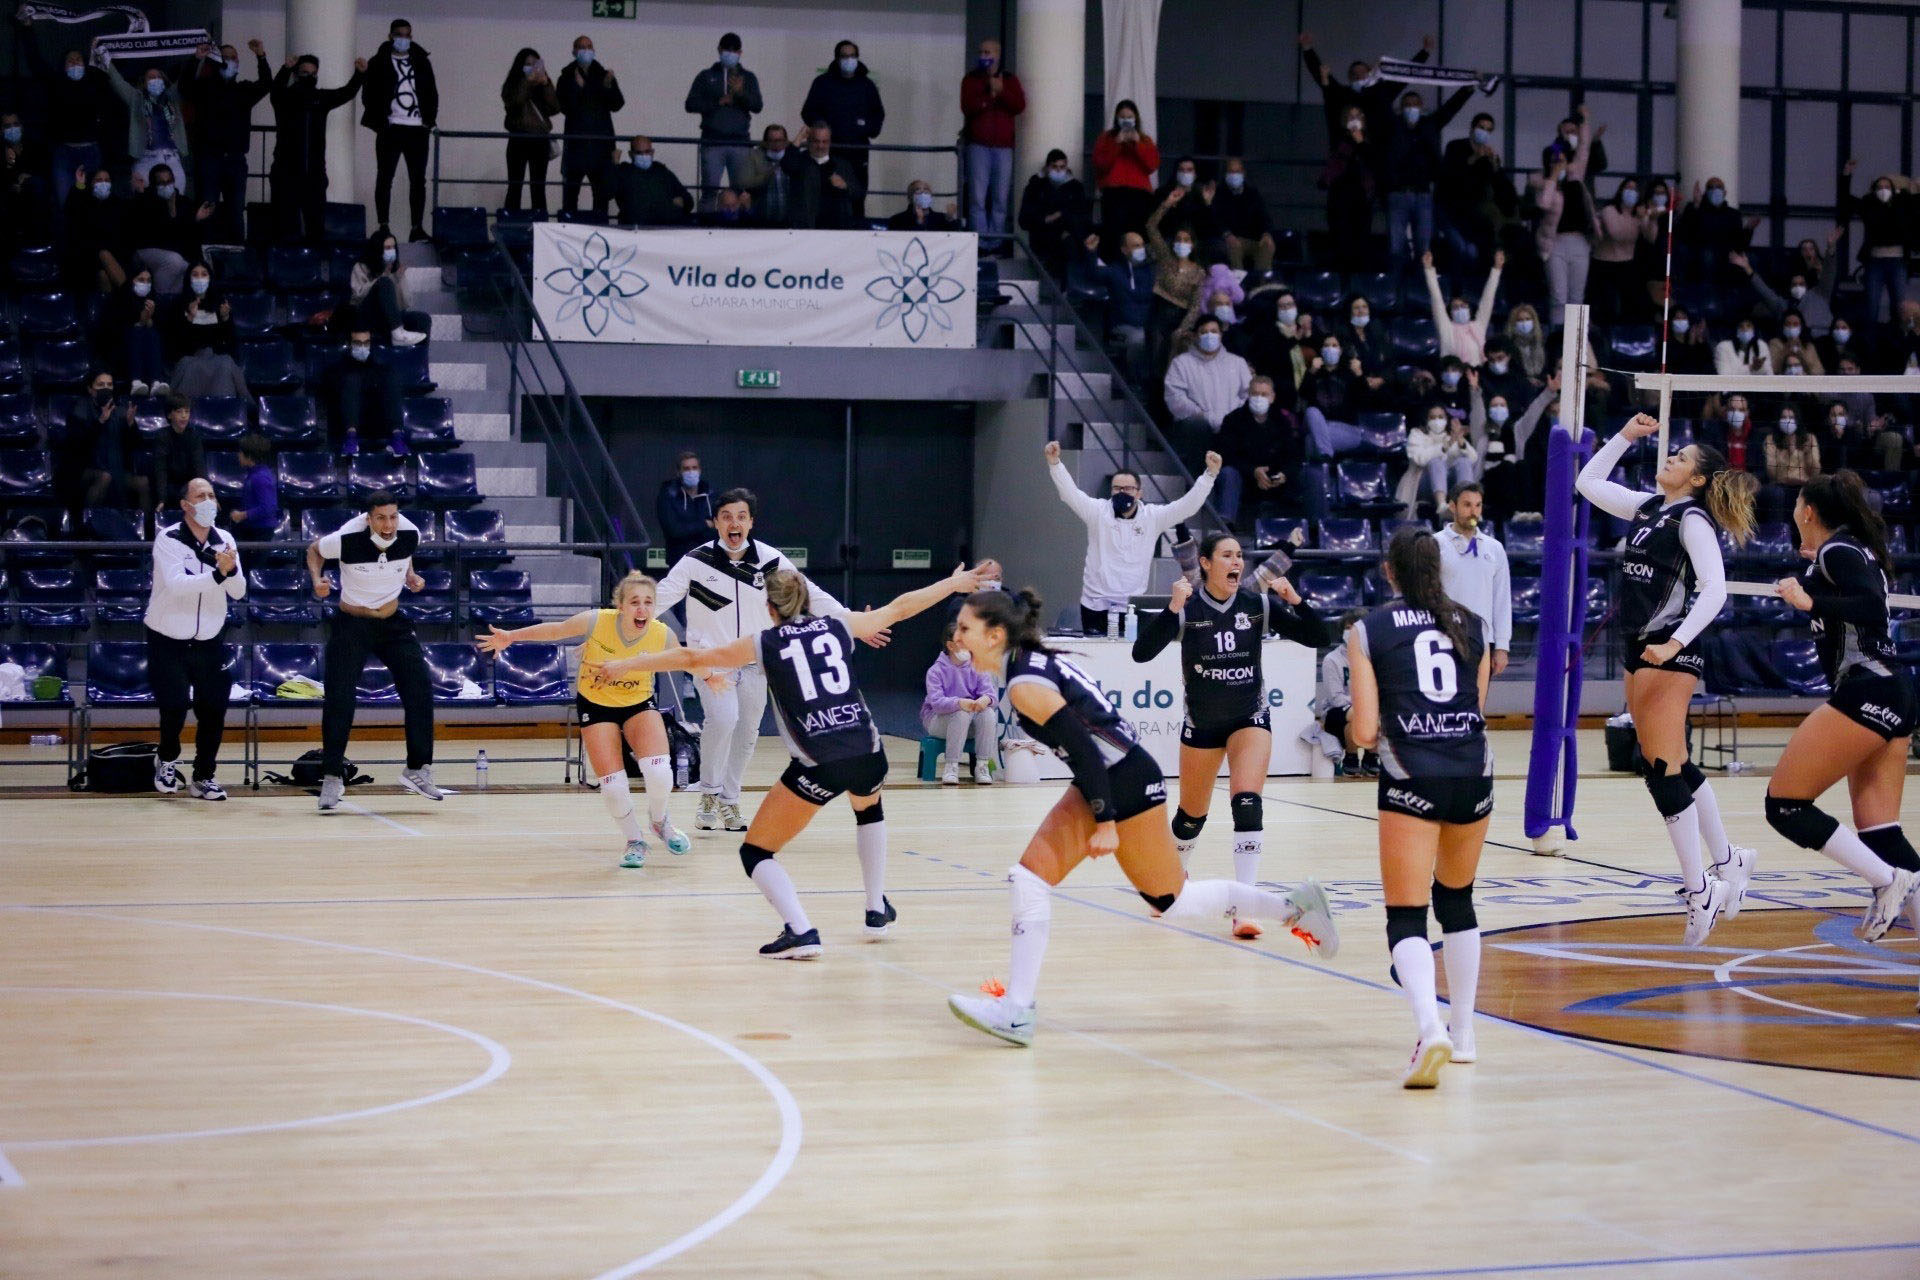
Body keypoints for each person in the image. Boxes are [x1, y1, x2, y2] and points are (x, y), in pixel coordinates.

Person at [943, 586, 1341, 1046]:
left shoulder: (1026, 684)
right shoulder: (1026, 668)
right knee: (1168, 901)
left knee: (1143, 897)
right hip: (1115, 775)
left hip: (1121, 778)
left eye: (966, 628)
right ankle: (1295, 908)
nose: (957, 637)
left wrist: (1106, 822)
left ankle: (1016, 1011)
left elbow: (1087, 754)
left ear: (994, 636)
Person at [607, 563, 995, 957]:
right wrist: (954, 583)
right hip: (868, 748)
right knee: (868, 809)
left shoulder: (763, 642)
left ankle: (801, 930)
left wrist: (625, 664)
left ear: (769, 607)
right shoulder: (838, 626)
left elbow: (691, 657)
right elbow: (899, 608)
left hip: (820, 760)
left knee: (755, 852)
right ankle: (875, 907)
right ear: (807, 601)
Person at [1576, 413, 1760, 946]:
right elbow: (1588, 483)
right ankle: (1729, 859)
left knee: (1658, 767)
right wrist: (1625, 435)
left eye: (1681, 458)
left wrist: (1676, 642)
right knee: (1673, 760)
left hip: (1671, 650)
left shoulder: (1694, 522)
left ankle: (1700, 887)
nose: (1670, 459)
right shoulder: (1651, 507)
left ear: (1699, 479)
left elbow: (1716, 590)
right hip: (1641, 647)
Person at [1345, 527, 1492, 1087]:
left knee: (1406, 915)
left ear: (1390, 572)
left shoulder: (1369, 629)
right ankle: (1465, 1034)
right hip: (1473, 772)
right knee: (1457, 900)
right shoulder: (1472, 625)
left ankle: (1429, 1028)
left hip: (1413, 774)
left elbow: (1361, 732)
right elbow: (1475, 705)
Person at [1132, 534, 1328, 938]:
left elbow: (1319, 638)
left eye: (1240, 555)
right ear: (1205, 563)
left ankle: (1244, 906)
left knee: (1247, 801)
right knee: (1190, 818)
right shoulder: (1190, 608)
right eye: (1227, 555)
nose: (1236, 561)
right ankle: (1171, 884)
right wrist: (1171, 609)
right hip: (1202, 724)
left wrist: (1295, 600)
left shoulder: (1257, 605)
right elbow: (1141, 652)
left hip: (1249, 717)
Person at [1766, 471, 1920, 942]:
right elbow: (1857, 594)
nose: (1793, 510)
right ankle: (1890, 875)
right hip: (1893, 692)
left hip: (1867, 689)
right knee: (1882, 834)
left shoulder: (1838, 551)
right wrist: (1816, 577)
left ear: (1808, 511)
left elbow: (1872, 605)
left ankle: (1883, 880)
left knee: (1786, 806)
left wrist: (1809, 598)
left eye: (1797, 504)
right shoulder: (1840, 552)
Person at [651, 488, 860, 834]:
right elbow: (658, 599)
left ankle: (730, 801)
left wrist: (849, 619)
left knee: (748, 731)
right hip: (712, 660)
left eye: (741, 516)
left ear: (751, 522)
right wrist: (622, 625)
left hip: (757, 659)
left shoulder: (772, 561)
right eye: (727, 516)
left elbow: (809, 594)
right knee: (723, 718)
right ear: (715, 522)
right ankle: (709, 794)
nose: (734, 523)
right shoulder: (695, 561)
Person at [478, 572, 692, 867]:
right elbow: (556, 630)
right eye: (634, 602)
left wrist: (714, 675)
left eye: (648, 603)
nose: (641, 609)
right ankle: (634, 840)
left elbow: (687, 660)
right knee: (615, 788)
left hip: (639, 703)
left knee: (659, 774)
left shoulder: (661, 633)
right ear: (620, 605)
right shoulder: (597, 621)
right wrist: (511, 637)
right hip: (597, 704)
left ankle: (660, 821)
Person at [307, 492, 440, 812]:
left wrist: (409, 575)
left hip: (392, 622)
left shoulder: (410, 533)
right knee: (340, 697)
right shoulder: (347, 538)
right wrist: (317, 581)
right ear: (369, 519)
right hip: (352, 622)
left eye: (392, 517)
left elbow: (405, 552)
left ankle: (418, 769)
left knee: (419, 686)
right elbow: (313, 551)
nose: (388, 524)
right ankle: (332, 776)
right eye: (381, 518)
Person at [1045, 439, 1219, 635]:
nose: (1121, 492)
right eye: (1117, 488)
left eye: (1127, 489)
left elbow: (1187, 506)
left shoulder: (1152, 517)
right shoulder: (1097, 512)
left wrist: (1209, 475)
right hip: (1095, 604)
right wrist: (1055, 464)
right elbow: (1070, 494)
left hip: (1132, 607)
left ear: (1139, 492)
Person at [144, 476, 245, 802]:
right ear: (186, 505)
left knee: (213, 708)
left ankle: (204, 776)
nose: (208, 501)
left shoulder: (225, 539)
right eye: (200, 496)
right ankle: (167, 758)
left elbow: (239, 590)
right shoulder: (169, 538)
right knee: (173, 705)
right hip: (168, 636)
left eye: (212, 495)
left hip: (208, 638)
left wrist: (229, 571)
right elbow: (177, 585)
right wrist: (217, 573)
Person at [270, 53, 367, 243]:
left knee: (316, 230)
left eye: (313, 73)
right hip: (285, 174)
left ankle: (313, 269)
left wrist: (359, 74)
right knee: (285, 230)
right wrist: (285, 69)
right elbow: (275, 90)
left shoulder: (321, 98)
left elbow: (346, 92)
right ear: (297, 74)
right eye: (305, 72)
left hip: (314, 176)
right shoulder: (285, 98)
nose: (310, 77)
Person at [184, 40, 272, 242]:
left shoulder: (243, 90)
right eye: (225, 57)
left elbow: (266, 83)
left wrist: (261, 57)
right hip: (209, 158)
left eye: (233, 57)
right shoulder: (204, 88)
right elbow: (185, 86)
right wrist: (196, 59)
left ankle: (237, 258)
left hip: (235, 159)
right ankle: (205, 259)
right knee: (207, 207)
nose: (229, 61)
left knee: (235, 210)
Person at [360, 18, 437, 243]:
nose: (403, 39)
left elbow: (431, 92)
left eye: (407, 35)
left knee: (418, 180)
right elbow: (369, 95)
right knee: (385, 177)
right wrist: (381, 123)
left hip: (417, 129)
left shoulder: (421, 61)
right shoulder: (379, 62)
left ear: (411, 37)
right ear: (390, 36)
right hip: (391, 127)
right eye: (399, 35)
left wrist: (428, 121)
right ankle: (384, 226)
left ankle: (417, 227)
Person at [24, 39, 114, 229]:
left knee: (95, 202)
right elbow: (36, 63)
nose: (75, 63)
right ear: (64, 66)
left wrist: (98, 47)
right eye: (70, 61)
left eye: (78, 60)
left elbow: (108, 68)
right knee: (65, 204)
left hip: (91, 152)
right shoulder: (56, 83)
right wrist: (26, 28)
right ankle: (66, 250)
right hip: (64, 154)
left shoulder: (94, 83)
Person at [1381, 85, 1474, 265]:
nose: (1411, 108)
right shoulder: (1393, 126)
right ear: (1401, 108)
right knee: (1396, 246)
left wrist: (1466, 90)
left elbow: (1449, 109)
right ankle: (1398, 289)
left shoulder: (1429, 125)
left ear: (1422, 107)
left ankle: (1421, 287)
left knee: (1424, 247)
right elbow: (1381, 104)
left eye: (1415, 104)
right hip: (1398, 193)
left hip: (1423, 193)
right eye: (1407, 104)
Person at [1297, 30, 1434, 147]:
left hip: (1376, 152)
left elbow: (1404, 75)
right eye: (1354, 74)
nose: (1359, 76)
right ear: (1349, 78)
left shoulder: (1381, 93)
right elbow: (1319, 74)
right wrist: (1307, 48)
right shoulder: (1342, 95)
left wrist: (1425, 52)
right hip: (1345, 152)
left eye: (1362, 72)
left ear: (1370, 74)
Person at [801, 40, 885, 221]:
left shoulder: (867, 85)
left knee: (857, 195)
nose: (849, 59)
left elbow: (878, 115)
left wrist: (865, 128)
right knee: (826, 193)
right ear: (837, 59)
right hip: (830, 151)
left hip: (858, 151)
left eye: (853, 55)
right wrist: (825, 129)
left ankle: (857, 230)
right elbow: (808, 112)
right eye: (845, 56)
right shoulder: (823, 83)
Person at [1530, 106, 1596, 327]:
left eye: (1562, 159)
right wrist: (1553, 176)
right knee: (1559, 297)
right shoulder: (1540, 181)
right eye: (1554, 159)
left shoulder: (1576, 175)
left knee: (1577, 298)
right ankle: (1558, 342)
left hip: (1580, 241)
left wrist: (1585, 122)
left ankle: (1574, 350)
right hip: (1554, 243)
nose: (1560, 161)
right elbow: (1544, 204)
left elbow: (1584, 148)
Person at [1436, 483, 1511, 677]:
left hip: (1481, 641)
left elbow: (1501, 600)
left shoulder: (1494, 548)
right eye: (1467, 505)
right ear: (1452, 506)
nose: (1473, 512)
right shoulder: (1435, 544)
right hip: (1443, 637)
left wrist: (1502, 647)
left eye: (1478, 505)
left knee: (1477, 705)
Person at [1163, 315, 1251, 479]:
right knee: (1197, 426)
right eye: (1204, 332)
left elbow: (1247, 395)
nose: (1209, 335)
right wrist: (1204, 416)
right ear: (1196, 336)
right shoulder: (1182, 363)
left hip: (1231, 427)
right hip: (1198, 430)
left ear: (1221, 335)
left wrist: (1229, 418)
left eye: (1214, 331)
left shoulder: (1237, 363)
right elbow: (1175, 397)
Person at [55, 370, 144, 529]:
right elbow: (76, 446)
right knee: (104, 477)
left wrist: (131, 425)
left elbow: (135, 446)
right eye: (100, 384)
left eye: (109, 385)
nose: (106, 388)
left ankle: (149, 538)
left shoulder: (121, 411)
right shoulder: (79, 410)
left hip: (116, 469)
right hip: (84, 471)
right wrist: (100, 421)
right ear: (90, 388)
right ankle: (87, 527)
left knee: (142, 483)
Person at [685, 33, 762, 211]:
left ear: (740, 52)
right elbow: (690, 104)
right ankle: (706, 230)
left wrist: (741, 93)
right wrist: (716, 102)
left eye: (735, 50)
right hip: (712, 142)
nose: (730, 53)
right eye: (727, 49)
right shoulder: (706, 76)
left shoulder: (748, 78)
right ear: (719, 50)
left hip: (741, 143)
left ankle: (743, 231)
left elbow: (757, 106)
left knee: (743, 192)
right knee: (709, 191)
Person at [959, 39, 1023, 252]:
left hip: (1004, 147)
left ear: (998, 54)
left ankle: (995, 242)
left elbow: (1019, 105)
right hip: (978, 146)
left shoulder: (1010, 79)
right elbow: (967, 107)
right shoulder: (971, 79)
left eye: (988, 52)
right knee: (977, 197)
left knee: (1000, 197)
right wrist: (989, 95)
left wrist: (1002, 91)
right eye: (981, 51)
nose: (983, 55)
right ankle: (982, 243)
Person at [1836, 162, 1914, 329]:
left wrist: (1907, 188)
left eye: (1887, 186)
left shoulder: (1902, 204)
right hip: (1875, 262)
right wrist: (1846, 175)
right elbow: (1846, 199)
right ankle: (1869, 344)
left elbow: (1914, 198)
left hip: (1897, 260)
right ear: (1874, 189)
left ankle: (1900, 341)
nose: (1883, 189)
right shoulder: (1868, 204)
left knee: (1900, 307)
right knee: (1871, 306)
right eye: (1880, 186)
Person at [923, 619, 999, 785]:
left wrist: (986, 699)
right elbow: (937, 703)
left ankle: (982, 766)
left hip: (971, 721)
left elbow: (991, 695)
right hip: (939, 721)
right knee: (961, 714)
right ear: (951, 646)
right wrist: (959, 703)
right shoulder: (935, 671)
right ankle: (951, 766)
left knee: (988, 714)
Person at [99, 54, 190, 191]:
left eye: (158, 77)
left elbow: (187, 79)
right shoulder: (136, 99)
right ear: (144, 82)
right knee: (145, 204)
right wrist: (103, 55)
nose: (155, 80)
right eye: (151, 77)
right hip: (145, 159)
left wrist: (197, 58)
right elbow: (118, 82)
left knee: (176, 201)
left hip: (171, 158)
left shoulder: (172, 98)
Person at [556, 36, 624, 217]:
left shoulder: (603, 75)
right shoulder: (565, 77)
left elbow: (617, 104)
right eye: (581, 47)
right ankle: (569, 233)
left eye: (589, 47)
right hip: (576, 145)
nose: (586, 50)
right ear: (573, 51)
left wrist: (608, 86)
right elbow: (564, 107)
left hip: (601, 145)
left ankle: (600, 231)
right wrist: (580, 89)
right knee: (570, 195)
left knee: (601, 196)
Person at [1438, 110, 1514, 266]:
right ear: (1472, 129)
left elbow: (1500, 186)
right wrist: (1474, 158)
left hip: (1472, 212)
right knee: (1460, 248)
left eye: (1488, 130)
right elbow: (1450, 177)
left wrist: (1495, 167)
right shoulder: (1456, 146)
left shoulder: (1489, 156)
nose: (1484, 132)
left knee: (1475, 251)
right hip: (1449, 209)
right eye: (1481, 127)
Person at [126, 162, 213, 299]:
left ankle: (173, 306)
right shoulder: (145, 200)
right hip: (146, 250)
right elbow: (153, 234)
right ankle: (159, 300)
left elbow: (185, 236)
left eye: (169, 182)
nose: (167, 186)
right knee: (174, 261)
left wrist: (196, 218)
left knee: (188, 267)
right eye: (162, 183)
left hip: (175, 253)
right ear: (154, 185)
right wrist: (170, 213)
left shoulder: (183, 202)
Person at [1143, 186, 1206, 373]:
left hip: (1179, 318)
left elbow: (1195, 306)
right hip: (1158, 312)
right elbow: (1151, 227)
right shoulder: (1165, 258)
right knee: (1156, 355)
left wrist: (1182, 329)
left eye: (1186, 240)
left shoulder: (1199, 272)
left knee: (1175, 360)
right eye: (1179, 239)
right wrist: (1167, 204)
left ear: (1193, 245)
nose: (1182, 243)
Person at [1077, 230, 1151, 382]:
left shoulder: (1150, 273)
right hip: (1119, 331)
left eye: (1142, 245)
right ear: (1124, 250)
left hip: (1146, 328)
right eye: (1136, 246)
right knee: (1138, 339)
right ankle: (1134, 383)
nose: (1141, 249)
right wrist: (1091, 252)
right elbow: (1094, 274)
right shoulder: (1115, 271)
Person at [1091, 100, 1159, 249]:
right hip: (1114, 193)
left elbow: (1152, 165)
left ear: (1136, 118)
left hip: (1140, 195)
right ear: (1116, 118)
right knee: (1113, 234)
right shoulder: (1106, 138)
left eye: (1130, 116)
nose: (1126, 120)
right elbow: (1100, 164)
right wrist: (1117, 143)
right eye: (1122, 116)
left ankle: (1137, 266)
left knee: (1138, 234)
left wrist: (1137, 145)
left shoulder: (1144, 139)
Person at [1320, 104, 1380, 272]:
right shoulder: (1339, 140)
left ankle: (1358, 286)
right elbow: (1334, 166)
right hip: (1339, 198)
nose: (1354, 120)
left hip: (1361, 200)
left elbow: (1374, 164)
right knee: (1340, 241)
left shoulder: (1370, 140)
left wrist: (1360, 142)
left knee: (1360, 243)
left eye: (1357, 116)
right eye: (1350, 117)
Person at [501, 49, 559, 214]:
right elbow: (515, 103)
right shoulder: (512, 85)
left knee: (538, 187)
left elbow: (555, 107)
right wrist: (527, 82)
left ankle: (540, 226)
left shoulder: (543, 85)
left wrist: (546, 84)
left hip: (540, 140)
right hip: (518, 138)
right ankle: (511, 224)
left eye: (535, 64)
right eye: (527, 65)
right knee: (515, 186)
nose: (531, 68)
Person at [1423, 249, 1503, 368]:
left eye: (1463, 306)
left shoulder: (1478, 326)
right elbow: (1437, 300)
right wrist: (1428, 270)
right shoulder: (1446, 328)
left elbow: (1488, 300)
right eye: (1455, 307)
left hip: (1480, 373)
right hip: (1455, 375)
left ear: (1469, 310)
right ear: (1450, 312)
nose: (1460, 309)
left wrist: (1497, 269)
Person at [349, 228, 429, 347]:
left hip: (389, 319)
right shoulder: (360, 267)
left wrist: (398, 279)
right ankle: (397, 333)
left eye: (393, 247)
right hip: (367, 316)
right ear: (377, 249)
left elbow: (406, 303)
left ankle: (417, 358)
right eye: (387, 248)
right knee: (384, 282)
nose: (391, 251)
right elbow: (358, 295)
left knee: (422, 318)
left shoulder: (393, 271)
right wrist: (382, 277)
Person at [330, 328, 405, 454]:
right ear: (349, 345)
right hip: (347, 421)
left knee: (391, 379)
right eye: (358, 343)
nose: (363, 347)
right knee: (351, 381)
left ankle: (397, 437)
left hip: (376, 420)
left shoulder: (380, 369)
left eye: (366, 343)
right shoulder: (337, 369)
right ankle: (351, 439)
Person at [1398, 402, 1480, 517]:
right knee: (1437, 462)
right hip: (1422, 483)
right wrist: (1443, 447)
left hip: (1449, 485)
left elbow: (1473, 459)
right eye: (1432, 417)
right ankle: (1441, 506)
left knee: (1464, 462)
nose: (1437, 421)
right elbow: (1420, 459)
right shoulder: (1417, 434)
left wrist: (1461, 442)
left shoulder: (1450, 436)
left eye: (1441, 417)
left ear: (1447, 419)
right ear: (1426, 419)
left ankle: (1466, 504)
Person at [1019, 152, 1091, 281]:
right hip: (1043, 237)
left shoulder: (1075, 188)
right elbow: (1024, 220)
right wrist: (1046, 219)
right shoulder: (1035, 188)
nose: (1058, 171)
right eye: (1054, 167)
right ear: (1047, 168)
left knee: (1072, 243)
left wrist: (1062, 217)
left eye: (1062, 167)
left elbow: (1083, 215)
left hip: (1069, 235)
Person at [62, 164, 130, 298]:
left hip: (113, 252)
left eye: (107, 180)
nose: (103, 183)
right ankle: (130, 302)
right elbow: (71, 214)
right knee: (102, 261)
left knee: (104, 274)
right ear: (91, 183)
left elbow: (122, 233)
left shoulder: (117, 203)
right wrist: (80, 185)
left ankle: (120, 308)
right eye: (99, 180)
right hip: (87, 253)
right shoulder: (83, 199)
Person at [1589, 178, 1648, 324]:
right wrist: (1637, 221)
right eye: (1628, 188)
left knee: (1631, 305)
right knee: (1606, 306)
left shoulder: (1640, 213)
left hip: (1627, 264)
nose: (1631, 192)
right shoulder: (1609, 210)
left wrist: (1647, 219)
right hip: (1604, 264)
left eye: (1635, 190)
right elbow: (1615, 234)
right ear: (1621, 191)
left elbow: (1650, 237)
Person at [103, 269, 167, 395]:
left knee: (151, 333)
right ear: (132, 281)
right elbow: (112, 331)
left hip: (147, 352)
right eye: (141, 280)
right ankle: (135, 381)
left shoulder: (154, 300)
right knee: (136, 331)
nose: (145, 283)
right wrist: (138, 322)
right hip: (121, 351)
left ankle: (156, 382)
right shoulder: (119, 298)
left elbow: (164, 330)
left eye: (148, 281)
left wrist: (149, 321)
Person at [149, 395, 207, 528]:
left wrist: (204, 493)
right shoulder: (162, 437)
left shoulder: (194, 436)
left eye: (187, 412)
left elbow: (199, 466)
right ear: (169, 415)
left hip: (187, 485)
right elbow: (160, 469)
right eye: (179, 412)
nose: (184, 416)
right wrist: (161, 498)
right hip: (168, 485)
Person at [790, 125, 863, 230]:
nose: (820, 146)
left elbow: (858, 193)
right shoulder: (801, 162)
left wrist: (845, 185)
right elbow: (787, 163)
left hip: (837, 227)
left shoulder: (842, 165)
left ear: (830, 142)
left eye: (825, 141)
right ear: (808, 141)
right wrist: (799, 138)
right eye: (816, 141)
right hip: (806, 227)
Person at [610, 135, 693, 227]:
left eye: (647, 152)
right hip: (636, 229)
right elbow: (608, 191)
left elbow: (688, 200)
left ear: (652, 152)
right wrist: (615, 165)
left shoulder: (661, 170)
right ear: (631, 154)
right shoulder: (624, 171)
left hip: (668, 227)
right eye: (639, 153)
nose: (644, 156)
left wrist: (682, 201)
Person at [1211, 157, 1275, 272]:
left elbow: (1264, 215)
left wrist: (1266, 233)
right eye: (1231, 171)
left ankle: (1259, 285)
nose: (1234, 175)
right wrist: (1227, 235)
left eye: (1237, 172)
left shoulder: (1253, 193)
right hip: (1231, 239)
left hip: (1253, 239)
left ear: (1243, 173)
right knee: (1233, 246)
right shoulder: (1219, 193)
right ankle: (1238, 286)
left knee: (1268, 245)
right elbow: (1216, 219)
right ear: (1225, 174)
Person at [1760, 408, 1822, 520]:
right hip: (1781, 486)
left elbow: (1814, 472)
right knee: (1775, 494)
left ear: (1797, 420)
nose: (1788, 421)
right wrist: (1789, 451)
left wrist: (1808, 454)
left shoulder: (1809, 439)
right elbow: (1772, 473)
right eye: (1784, 417)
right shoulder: (1771, 440)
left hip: (1804, 486)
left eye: (1791, 417)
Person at [655, 451, 714, 565]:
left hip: (708, 560)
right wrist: (705, 524)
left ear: (700, 470)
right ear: (679, 472)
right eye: (686, 469)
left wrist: (688, 529)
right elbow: (674, 531)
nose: (691, 472)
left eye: (694, 468)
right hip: (679, 561)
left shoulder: (711, 494)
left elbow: (718, 527)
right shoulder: (669, 496)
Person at [739, 124, 800, 227]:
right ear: (765, 143)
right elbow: (746, 183)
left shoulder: (793, 158)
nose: (776, 144)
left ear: (786, 141)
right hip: (762, 220)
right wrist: (766, 175)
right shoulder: (754, 157)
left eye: (779, 140)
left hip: (789, 222)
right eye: (772, 140)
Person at [228, 434, 280, 542]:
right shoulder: (254, 474)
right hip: (253, 529)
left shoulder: (260, 477)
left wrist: (242, 515)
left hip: (260, 532)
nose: (239, 455)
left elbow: (268, 508)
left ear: (249, 456)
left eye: (241, 452)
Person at [885, 178, 955, 231]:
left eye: (926, 190)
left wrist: (950, 219)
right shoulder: (897, 220)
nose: (923, 193)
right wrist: (919, 221)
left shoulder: (941, 218)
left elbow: (954, 240)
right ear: (910, 197)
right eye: (918, 190)